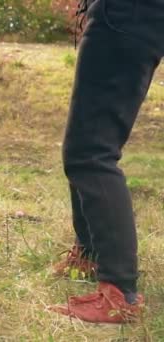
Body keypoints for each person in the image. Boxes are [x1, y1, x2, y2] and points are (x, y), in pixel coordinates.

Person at [49, 0, 164, 324]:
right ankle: (90, 254)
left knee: (91, 152)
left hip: (126, 13)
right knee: (83, 147)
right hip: (126, 14)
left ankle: (119, 292)